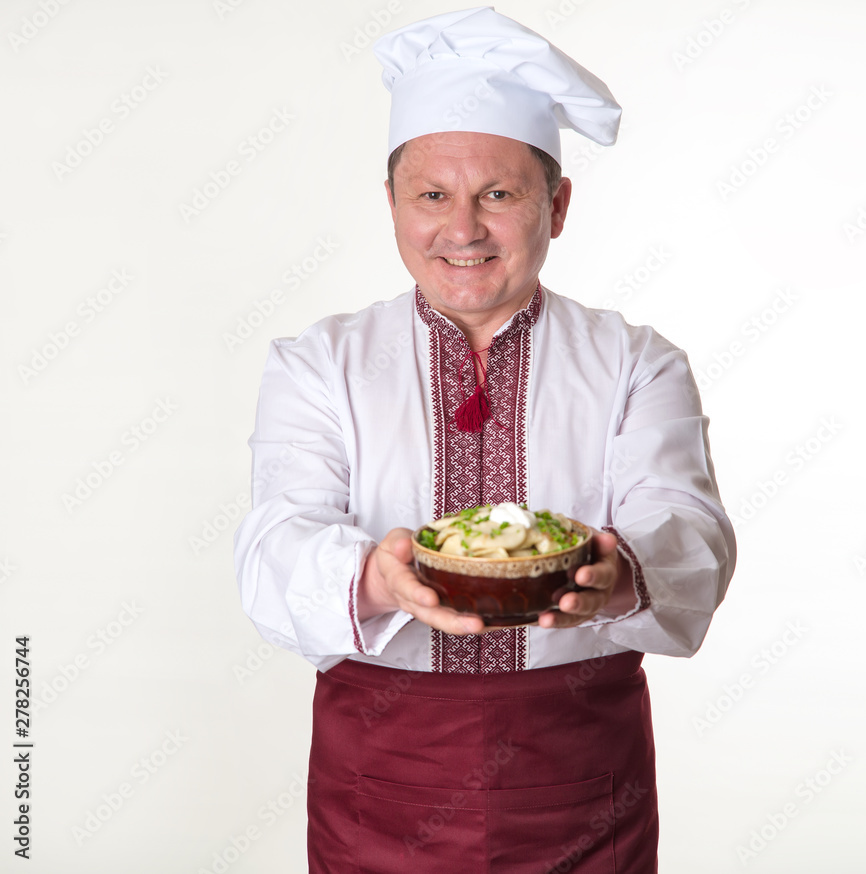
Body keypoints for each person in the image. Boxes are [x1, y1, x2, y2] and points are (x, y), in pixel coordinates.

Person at [234, 6, 736, 871]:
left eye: (498, 194)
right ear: (391, 202)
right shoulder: (318, 364)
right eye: (432, 195)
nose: (461, 229)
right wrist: (374, 577)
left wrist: (621, 578)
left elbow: (692, 535)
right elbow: (273, 546)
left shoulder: (636, 363)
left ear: (559, 204)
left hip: (581, 775)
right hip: (380, 777)